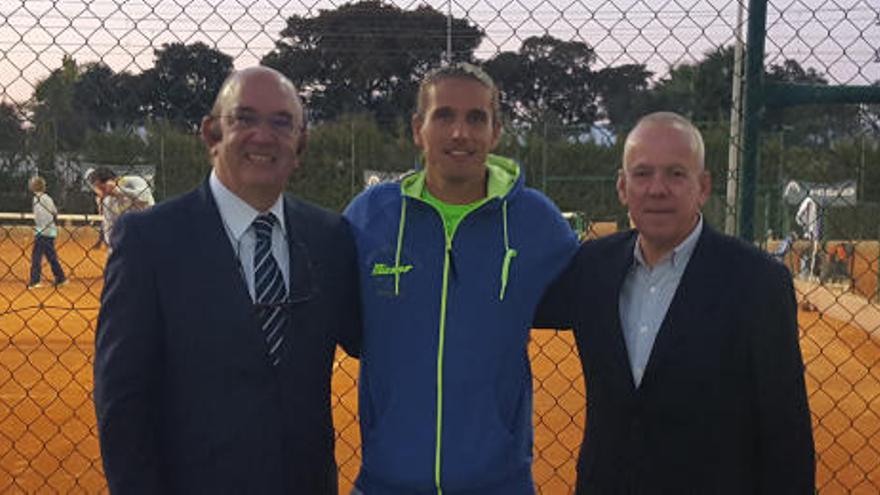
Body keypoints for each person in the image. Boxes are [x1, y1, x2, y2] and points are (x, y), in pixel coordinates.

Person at [93, 66, 361, 494]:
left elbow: (376, 338)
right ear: (212, 134)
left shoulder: (329, 238)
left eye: (281, 122)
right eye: (244, 118)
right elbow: (121, 402)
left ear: (300, 145)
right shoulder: (149, 240)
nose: (263, 135)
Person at [535, 112, 815, 494]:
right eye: (643, 173)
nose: (657, 189)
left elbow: (787, 430)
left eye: (676, 174)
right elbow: (507, 303)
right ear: (622, 187)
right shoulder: (591, 266)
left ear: (702, 187)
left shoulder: (758, 282)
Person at [343, 62, 578, 494]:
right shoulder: (369, 217)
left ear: (496, 131)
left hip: (499, 483)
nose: (459, 133)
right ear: (418, 128)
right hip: (385, 482)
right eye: (444, 116)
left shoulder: (537, 222)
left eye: (476, 118)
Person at [86, 166, 155, 247]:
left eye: (102, 188)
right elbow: (109, 227)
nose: (102, 192)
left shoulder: (134, 181)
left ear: (114, 180)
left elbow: (145, 198)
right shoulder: (107, 200)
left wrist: (120, 191)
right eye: (98, 189)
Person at [27, 175, 66, 288]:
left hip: (42, 231)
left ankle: (35, 281)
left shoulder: (37, 199)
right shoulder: (47, 198)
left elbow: (40, 216)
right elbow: (54, 212)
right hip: (49, 230)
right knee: (50, 255)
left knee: (36, 256)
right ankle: (61, 277)